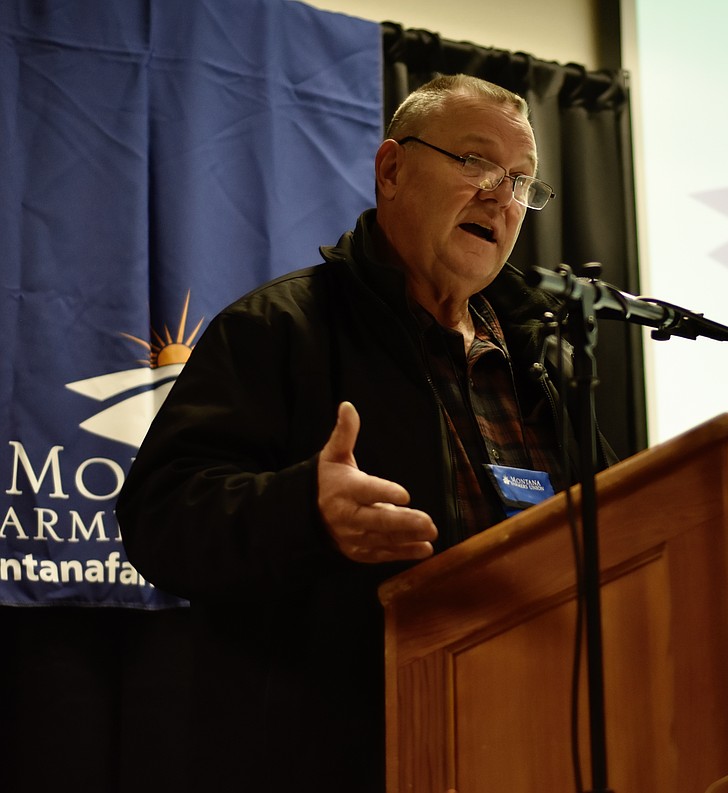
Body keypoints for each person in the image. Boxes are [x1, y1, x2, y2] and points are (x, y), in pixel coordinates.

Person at [117, 74, 612, 793]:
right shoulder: (279, 329)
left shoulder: (544, 364)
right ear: (391, 169)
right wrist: (305, 510)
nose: (501, 197)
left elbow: (619, 534)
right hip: (348, 754)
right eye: (475, 163)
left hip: (532, 743)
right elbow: (158, 516)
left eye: (521, 182)